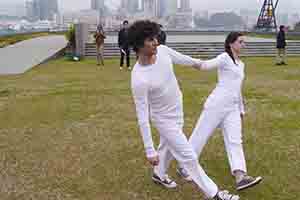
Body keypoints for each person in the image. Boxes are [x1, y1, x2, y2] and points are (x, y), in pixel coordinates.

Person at [129, 20, 239, 200]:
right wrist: (149, 150)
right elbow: (142, 117)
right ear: (138, 45)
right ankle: (214, 194)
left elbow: (183, 59)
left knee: (167, 146)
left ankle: (159, 174)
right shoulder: (139, 79)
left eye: (155, 37)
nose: (156, 42)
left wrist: (199, 64)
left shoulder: (163, 51)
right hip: (163, 119)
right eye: (150, 40)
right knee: (188, 156)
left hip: (177, 111)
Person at [177, 32, 262, 191]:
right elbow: (205, 66)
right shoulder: (224, 58)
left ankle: (240, 176)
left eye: (244, 42)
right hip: (216, 105)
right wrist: (188, 60)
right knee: (200, 136)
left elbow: (237, 89)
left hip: (233, 109)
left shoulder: (241, 64)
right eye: (240, 42)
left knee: (235, 140)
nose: (243, 44)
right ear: (231, 43)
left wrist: (241, 109)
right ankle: (183, 166)